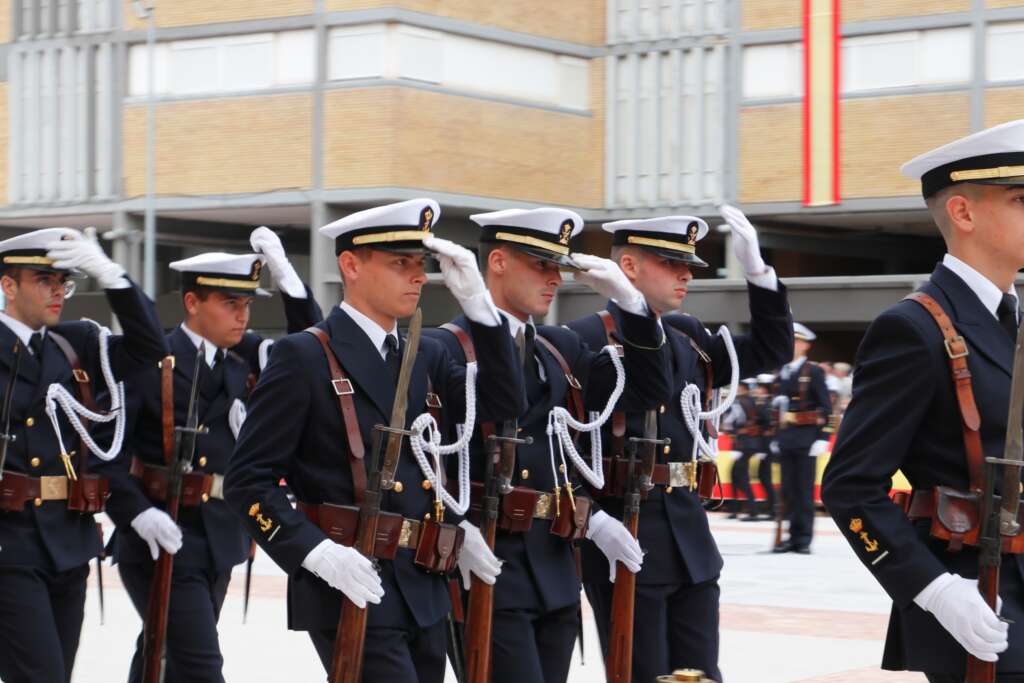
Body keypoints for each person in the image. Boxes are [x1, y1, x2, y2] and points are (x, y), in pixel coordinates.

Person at [224, 199, 526, 682]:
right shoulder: (304, 355)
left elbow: (504, 403)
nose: (418, 277)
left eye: (420, 264)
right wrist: (314, 552)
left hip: (424, 581)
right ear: (351, 265)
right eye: (400, 263)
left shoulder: (425, 353)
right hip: (349, 578)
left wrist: (481, 311)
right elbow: (247, 482)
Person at [427, 206, 671, 683]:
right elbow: (427, 462)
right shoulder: (446, 348)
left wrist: (633, 308)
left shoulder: (558, 349)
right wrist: (453, 529)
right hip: (487, 560)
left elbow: (648, 390)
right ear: (498, 262)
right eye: (541, 265)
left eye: (557, 266)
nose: (554, 278)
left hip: (556, 567)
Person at [823, 119, 1024, 680]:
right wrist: (933, 589)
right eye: (1020, 199)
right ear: (963, 213)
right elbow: (850, 486)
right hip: (980, 599)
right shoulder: (914, 329)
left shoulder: (1013, 320)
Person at [566, 207, 793, 682]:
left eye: (688, 265)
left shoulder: (686, 336)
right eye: (671, 263)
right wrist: (593, 520)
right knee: (643, 674)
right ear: (629, 266)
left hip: (690, 538)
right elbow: (564, 445)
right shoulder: (585, 338)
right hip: (626, 534)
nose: (686, 274)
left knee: (701, 675)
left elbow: (770, 351)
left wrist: (758, 272)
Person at [98, 228, 322, 682]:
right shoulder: (154, 359)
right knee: (200, 666)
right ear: (192, 303)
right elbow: (105, 454)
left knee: (161, 655)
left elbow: (311, 346)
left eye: (247, 305)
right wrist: (136, 513)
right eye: (229, 303)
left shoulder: (245, 362)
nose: (242, 316)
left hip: (220, 536)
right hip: (161, 536)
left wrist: (288, 280)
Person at [0, 228, 165, 683]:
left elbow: (152, 349)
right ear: (8, 285)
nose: (57, 292)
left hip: (68, 539)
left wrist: (114, 278)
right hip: (9, 544)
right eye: (44, 281)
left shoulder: (75, 343)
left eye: (64, 283)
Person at [773, 322, 831, 554]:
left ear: (806, 346)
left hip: (807, 440)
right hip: (786, 438)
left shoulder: (812, 372)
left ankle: (803, 539)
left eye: (798, 341)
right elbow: (776, 411)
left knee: (803, 491)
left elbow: (826, 407)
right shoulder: (783, 371)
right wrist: (776, 435)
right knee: (788, 491)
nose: (793, 345)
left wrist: (823, 437)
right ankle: (791, 537)